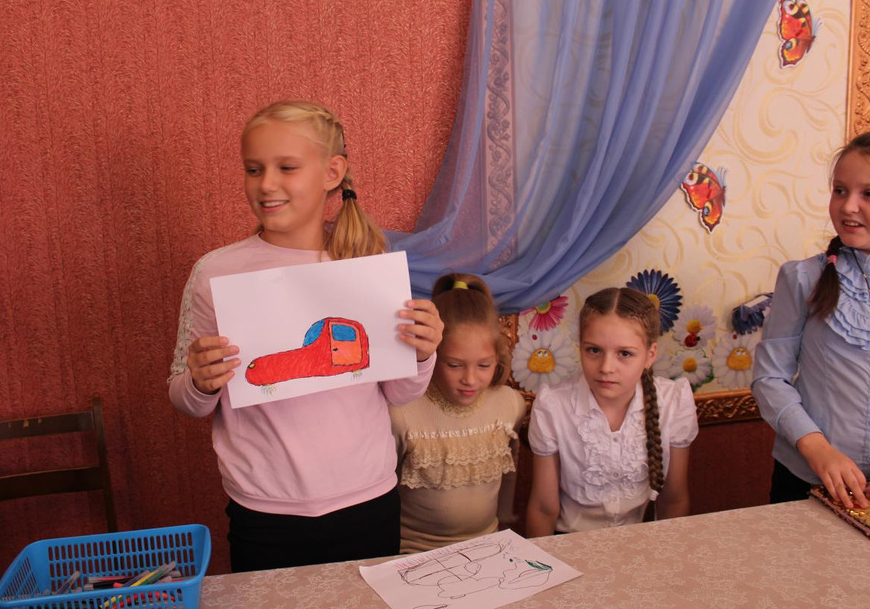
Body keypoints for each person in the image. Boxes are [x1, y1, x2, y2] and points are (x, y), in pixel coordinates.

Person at [168, 101, 443, 571]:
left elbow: (400, 392)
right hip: (264, 509)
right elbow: (186, 400)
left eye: (287, 167)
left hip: (368, 498)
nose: (266, 184)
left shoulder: (367, 263)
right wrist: (199, 381)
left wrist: (422, 354)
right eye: (253, 169)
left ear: (332, 172)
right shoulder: (216, 272)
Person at [753, 129, 870, 509]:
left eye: (869, 194)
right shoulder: (803, 278)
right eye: (840, 190)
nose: (848, 206)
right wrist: (817, 448)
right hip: (807, 480)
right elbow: (770, 378)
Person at [525, 287, 698, 536]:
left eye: (624, 353)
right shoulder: (553, 406)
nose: (606, 367)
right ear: (580, 347)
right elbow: (543, 508)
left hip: (643, 543)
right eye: (594, 350)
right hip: (570, 543)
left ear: (650, 355)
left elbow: (674, 500)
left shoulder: (673, 402)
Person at [389, 273, 526, 553]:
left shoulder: (511, 404)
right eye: (454, 365)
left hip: (489, 546)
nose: (470, 379)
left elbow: (510, 471)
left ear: (498, 358)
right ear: (432, 355)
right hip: (414, 550)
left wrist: (507, 524)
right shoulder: (403, 412)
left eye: (484, 365)